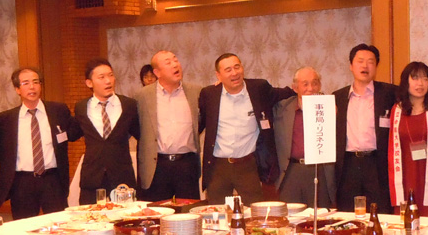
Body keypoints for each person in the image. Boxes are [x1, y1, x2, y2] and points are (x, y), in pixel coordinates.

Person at [198, 53, 293, 205]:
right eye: (228, 70)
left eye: (237, 67)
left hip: (248, 164)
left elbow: (286, 94)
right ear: (218, 75)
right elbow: (198, 122)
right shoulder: (209, 94)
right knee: (217, 212)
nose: (234, 73)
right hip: (217, 166)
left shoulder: (258, 88)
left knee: (254, 210)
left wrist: (310, 93)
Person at [0, 67, 75, 218]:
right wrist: (7, 161)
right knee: (24, 226)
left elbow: (74, 132)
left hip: (52, 180)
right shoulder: (7, 118)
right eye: (26, 83)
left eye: (36, 82)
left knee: (59, 223)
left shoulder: (58, 111)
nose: (32, 87)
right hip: (22, 182)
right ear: (17, 89)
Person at [333, 43, 396, 213]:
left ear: (376, 66)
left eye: (370, 62)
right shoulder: (337, 97)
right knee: (347, 214)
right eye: (360, 61)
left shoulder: (389, 93)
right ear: (351, 65)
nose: (365, 66)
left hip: (377, 163)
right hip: (348, 165)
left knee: (381, 213)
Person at [388, 62, 428, 218]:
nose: (421, 83)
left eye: (425, 79)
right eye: (415, 78)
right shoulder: (397, 110)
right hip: (406, 175)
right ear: (406, 81)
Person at [136, 50, 202, 202]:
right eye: (168, 62)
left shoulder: (196, 92)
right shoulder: (142, 96)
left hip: (186, 164)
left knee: (189, 211)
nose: (175, 65)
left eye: (175, 60)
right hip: (157, 166)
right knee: (157, 212)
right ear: (157, 72)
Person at [72, 59, 139, 205]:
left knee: (126, 216)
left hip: (122, 178)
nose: (108, 81)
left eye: (110, 75)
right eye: (101, 77)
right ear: (89, 83)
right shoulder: (81, 107)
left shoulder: (129, 105)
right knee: (89, 216)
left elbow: (142, 135)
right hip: (92, 177)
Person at [273, 66, 335, 207]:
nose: (310, 88)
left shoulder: (328, 107)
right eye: (305, 84)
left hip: (319, 170)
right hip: (291, 170)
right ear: (295, 87)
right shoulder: (282, 108)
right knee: (291, 215)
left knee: (320, 214)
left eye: (315, 83)